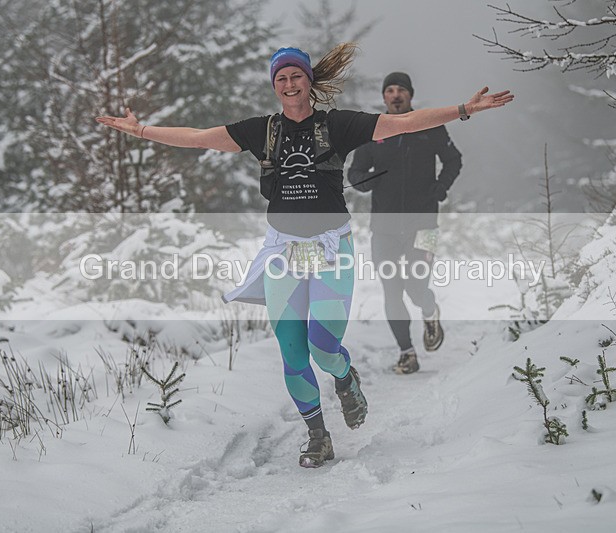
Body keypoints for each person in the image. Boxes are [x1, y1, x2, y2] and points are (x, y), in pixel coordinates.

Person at [96, 44, 513, 468]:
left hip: (331, 248)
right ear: (274, 86)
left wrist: (464, 109)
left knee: (323, 345)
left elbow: (405, 123)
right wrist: (142, 130)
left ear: (309, 81)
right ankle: (317, 435)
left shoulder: (339, 125)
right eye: (281, 78)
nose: (290, 84)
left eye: (296, 76)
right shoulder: (263, 130)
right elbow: (200, 138)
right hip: (283, 252)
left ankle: (345, 377)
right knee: (293, 355)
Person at [348, 72, 462, 375]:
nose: (395, 95)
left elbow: (454, 160)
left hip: (425, 224)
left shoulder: (431, 124)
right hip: (383, 227)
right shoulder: (373, 131)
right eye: (390, 90)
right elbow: (355, 173)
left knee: (415, 286)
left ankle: (429, 309)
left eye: (400, 90)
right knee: (391, 290)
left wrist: (441, 188)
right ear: (384, 97)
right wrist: (366, 181)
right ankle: (407, 353)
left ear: (410, 94)